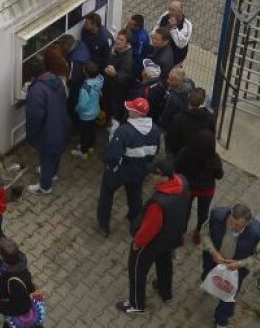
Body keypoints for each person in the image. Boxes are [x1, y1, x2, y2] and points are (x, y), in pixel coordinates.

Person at [115, 158, 188, 315]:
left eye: (154, 174)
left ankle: (136, 304)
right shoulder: (183, 182)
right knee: (165, 263)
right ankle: (165, 291)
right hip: (172, 236)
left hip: (154, 242)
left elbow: (149, 229)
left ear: (163, 177)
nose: (151, 176)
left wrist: (137, 244)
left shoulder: (159, 204)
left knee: (137, 269)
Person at [96, 97, 161, 237]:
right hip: (140, 169)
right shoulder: (155, 130)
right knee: (135, 195)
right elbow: (153, 152)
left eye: (131, 109)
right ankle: (135, 220)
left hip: (121, 170)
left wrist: (110, 166)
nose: (128, 110)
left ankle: (103, 224)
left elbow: (112, 156)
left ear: (136, 114)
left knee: (107, 192)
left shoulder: (124, 131)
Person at [199, 203, 260, 328]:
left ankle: (221, 320)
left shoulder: (257, 233)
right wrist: (213, 251)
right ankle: (207, 282)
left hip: (235, 269)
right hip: (213, 260)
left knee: (228, 294)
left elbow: (259, 258)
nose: (231, 226)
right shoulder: (217, 215)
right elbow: (204, 234)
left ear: (247, 224)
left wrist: (240, 263)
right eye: (231, 221)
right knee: (207, 275)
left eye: (237, 225)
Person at [24, 53, 70, 194]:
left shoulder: (36, 90)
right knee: (55, 154)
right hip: (62, 124)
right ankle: (52, 174)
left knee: (47, 157)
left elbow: (35, 117)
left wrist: (31, 136)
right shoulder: (56, 80)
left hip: (48, 132)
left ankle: (45, 186)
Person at [175, 127, 224, 244]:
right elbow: (219, 175)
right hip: (206, 191)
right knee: (203, 213)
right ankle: (198, 233)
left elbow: (177, 168)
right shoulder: (214, 159)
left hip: (188, 188)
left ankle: (181, 233)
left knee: (184, 211)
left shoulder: (185, 153)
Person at [0, 237, 45, 327]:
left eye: (0, 255)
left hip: (16, 310)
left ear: (5, 258)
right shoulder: (11, 260)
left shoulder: (15, 283)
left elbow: (21, 308)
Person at [72, 62, 104, 159]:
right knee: (91, 130)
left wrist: (77, 109)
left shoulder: (85, 87)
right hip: (95, 111)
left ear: (85, 73)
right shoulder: (99, 80)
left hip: (85, 115)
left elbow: (82, 104)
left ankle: (83, 151)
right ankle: (90, 146)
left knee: (84, 133)